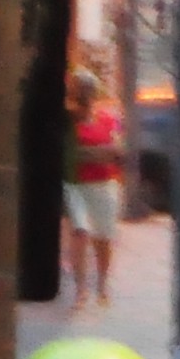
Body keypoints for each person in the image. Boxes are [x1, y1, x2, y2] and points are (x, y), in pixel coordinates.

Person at [62, 79, 123, 309]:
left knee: (103, 238)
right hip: (75, 185)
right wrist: (97, 153)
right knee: (79, 232)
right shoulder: (67, 122)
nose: (85, 98)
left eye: (87, 93)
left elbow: (116, 151)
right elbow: (70, 154)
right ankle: (81, 290)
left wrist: (86, 153)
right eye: (80, 93)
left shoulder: (108, 118)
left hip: (105, 184)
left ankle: (102, 284)